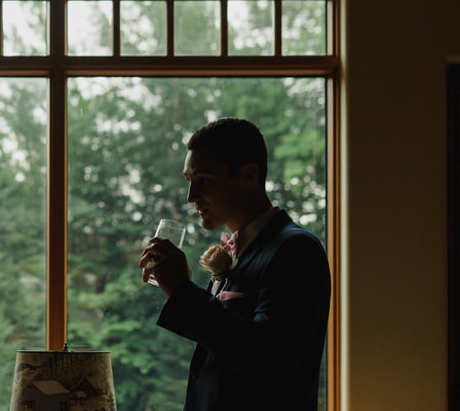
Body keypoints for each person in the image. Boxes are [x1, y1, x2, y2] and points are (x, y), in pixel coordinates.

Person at [140, 117, 330, 411]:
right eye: (190, 181)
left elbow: (270, 358)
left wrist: (182, 289)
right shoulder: (239, 251)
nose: (191, 197)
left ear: (249, 176)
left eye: (204, 180)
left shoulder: (296, 249)